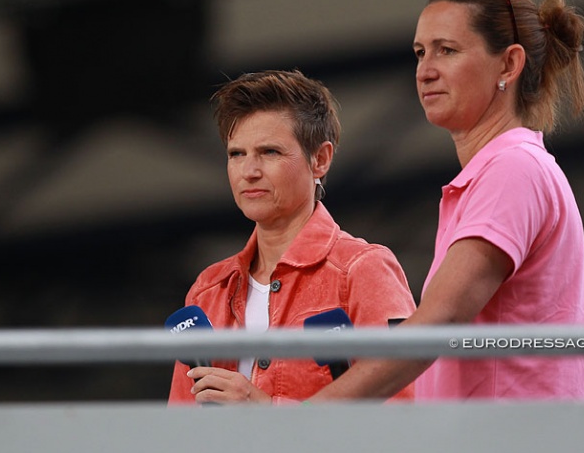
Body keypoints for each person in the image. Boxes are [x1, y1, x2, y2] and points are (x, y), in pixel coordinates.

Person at [309, 0, 584, 402]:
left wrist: (301, 418)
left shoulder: (512, 169)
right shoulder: (506, 169)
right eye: (420, 52)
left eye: (447, 50)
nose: (425, 71)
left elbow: (437, 324)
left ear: (509, 64)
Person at [168, 69, 417, 405]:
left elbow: (405, 415)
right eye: (236, 154)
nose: (249, 171)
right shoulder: (208, 290)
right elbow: (178, 431)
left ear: (321, 159)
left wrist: (265, 409)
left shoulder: (363, 269)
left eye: (270, 152)